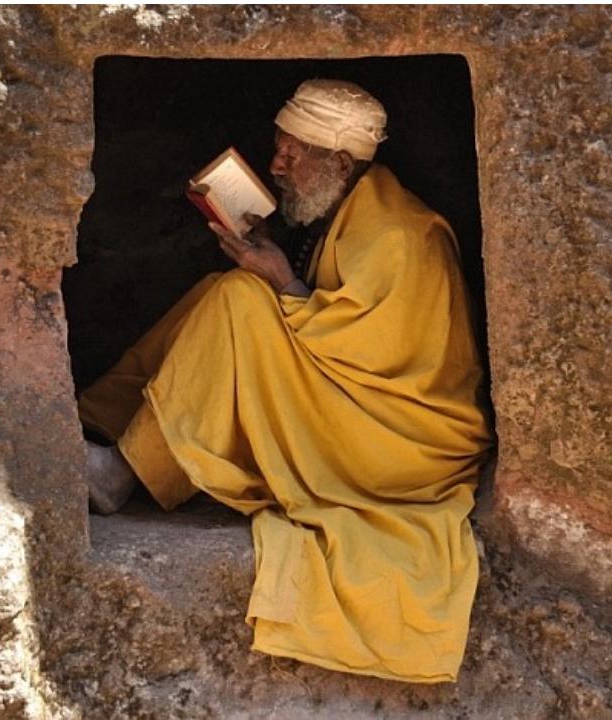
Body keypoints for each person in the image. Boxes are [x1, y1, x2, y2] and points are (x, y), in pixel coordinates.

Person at [78, 79, 492, 683]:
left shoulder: (403, 233)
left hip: (404, 446)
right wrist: (275, 267)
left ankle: (124, 473)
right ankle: (107, 419)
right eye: (279, 148)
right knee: (227, 292)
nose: (277, 164)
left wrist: (281, 284)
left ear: (341, 162)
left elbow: (370, 353)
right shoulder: (346, 211)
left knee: (242, 301)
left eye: (293, 153)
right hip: (355, 405)